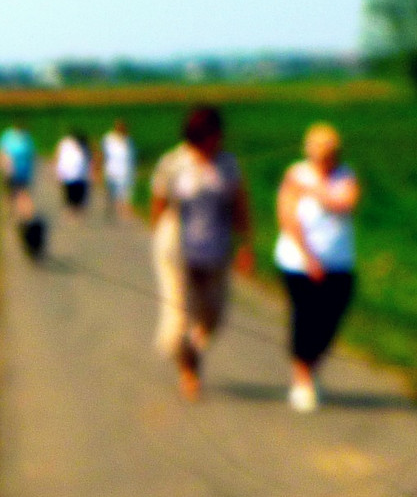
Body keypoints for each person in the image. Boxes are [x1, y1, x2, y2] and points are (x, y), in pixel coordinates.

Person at [148, 104, 254, 401]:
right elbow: (159, 203)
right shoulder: (173, 163)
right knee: (178, 317)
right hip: (177, 252)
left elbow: (240, 205)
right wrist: (158, 236)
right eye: (208, 137)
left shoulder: (228, 165)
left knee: (214, 315)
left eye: (217, 137)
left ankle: (192, 348)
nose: (214, 143)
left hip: (216, 250)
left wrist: (245, 245)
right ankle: (188, 371)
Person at [272, 122, 360, 413]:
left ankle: (311, 367)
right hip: (298, 262)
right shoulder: (295, 174)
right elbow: (287, 216)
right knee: (306, 318)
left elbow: (345, 203)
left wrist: (312, 189)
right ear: (309, 150)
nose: (325, 157)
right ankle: (302, 379)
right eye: (320, 150)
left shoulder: (345, 175)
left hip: (339, 262)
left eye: (330, 151)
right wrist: (308, 256)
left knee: (331, 320)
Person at [0, 120, 44, 258]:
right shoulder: (7, 137)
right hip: (12, 172)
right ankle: (19, 216)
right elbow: (2, 154)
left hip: (24, 173)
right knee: (16, 196)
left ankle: (23, 218)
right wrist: (4, 168)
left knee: (21, 195)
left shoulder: (27, 139)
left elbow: (33, 155)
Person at [100, 119, 136, 218]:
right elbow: (103, 154)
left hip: (125, 170)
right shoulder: (108, 139)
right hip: (111, 170)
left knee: (125, 191)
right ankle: (111, 209)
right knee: (112, 191)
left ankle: (124, 209)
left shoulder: (129, 141)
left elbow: (132, 156)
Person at [55, 129, 92, 215]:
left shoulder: (83, 146)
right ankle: (71, 210)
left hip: (79, 174)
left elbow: (88, 159)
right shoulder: (65, 144)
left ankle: (77, 210)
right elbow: (58, 155)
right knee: (69, 192)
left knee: (79, 193)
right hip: (68, 173)